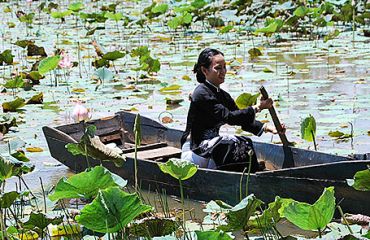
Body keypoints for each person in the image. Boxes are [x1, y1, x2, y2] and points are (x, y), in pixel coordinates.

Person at [181, 48, 286, 172]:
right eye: (218, 68)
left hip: (211, 151)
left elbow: (239, 119)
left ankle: (249, 174)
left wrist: (268, 128)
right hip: (195, 151)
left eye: (224, 67)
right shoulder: (200, 93)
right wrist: (258, 107)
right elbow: (228, 117)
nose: (223, 71)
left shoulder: (223, 95)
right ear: (205, 70)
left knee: (245, 142)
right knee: (231, 143)